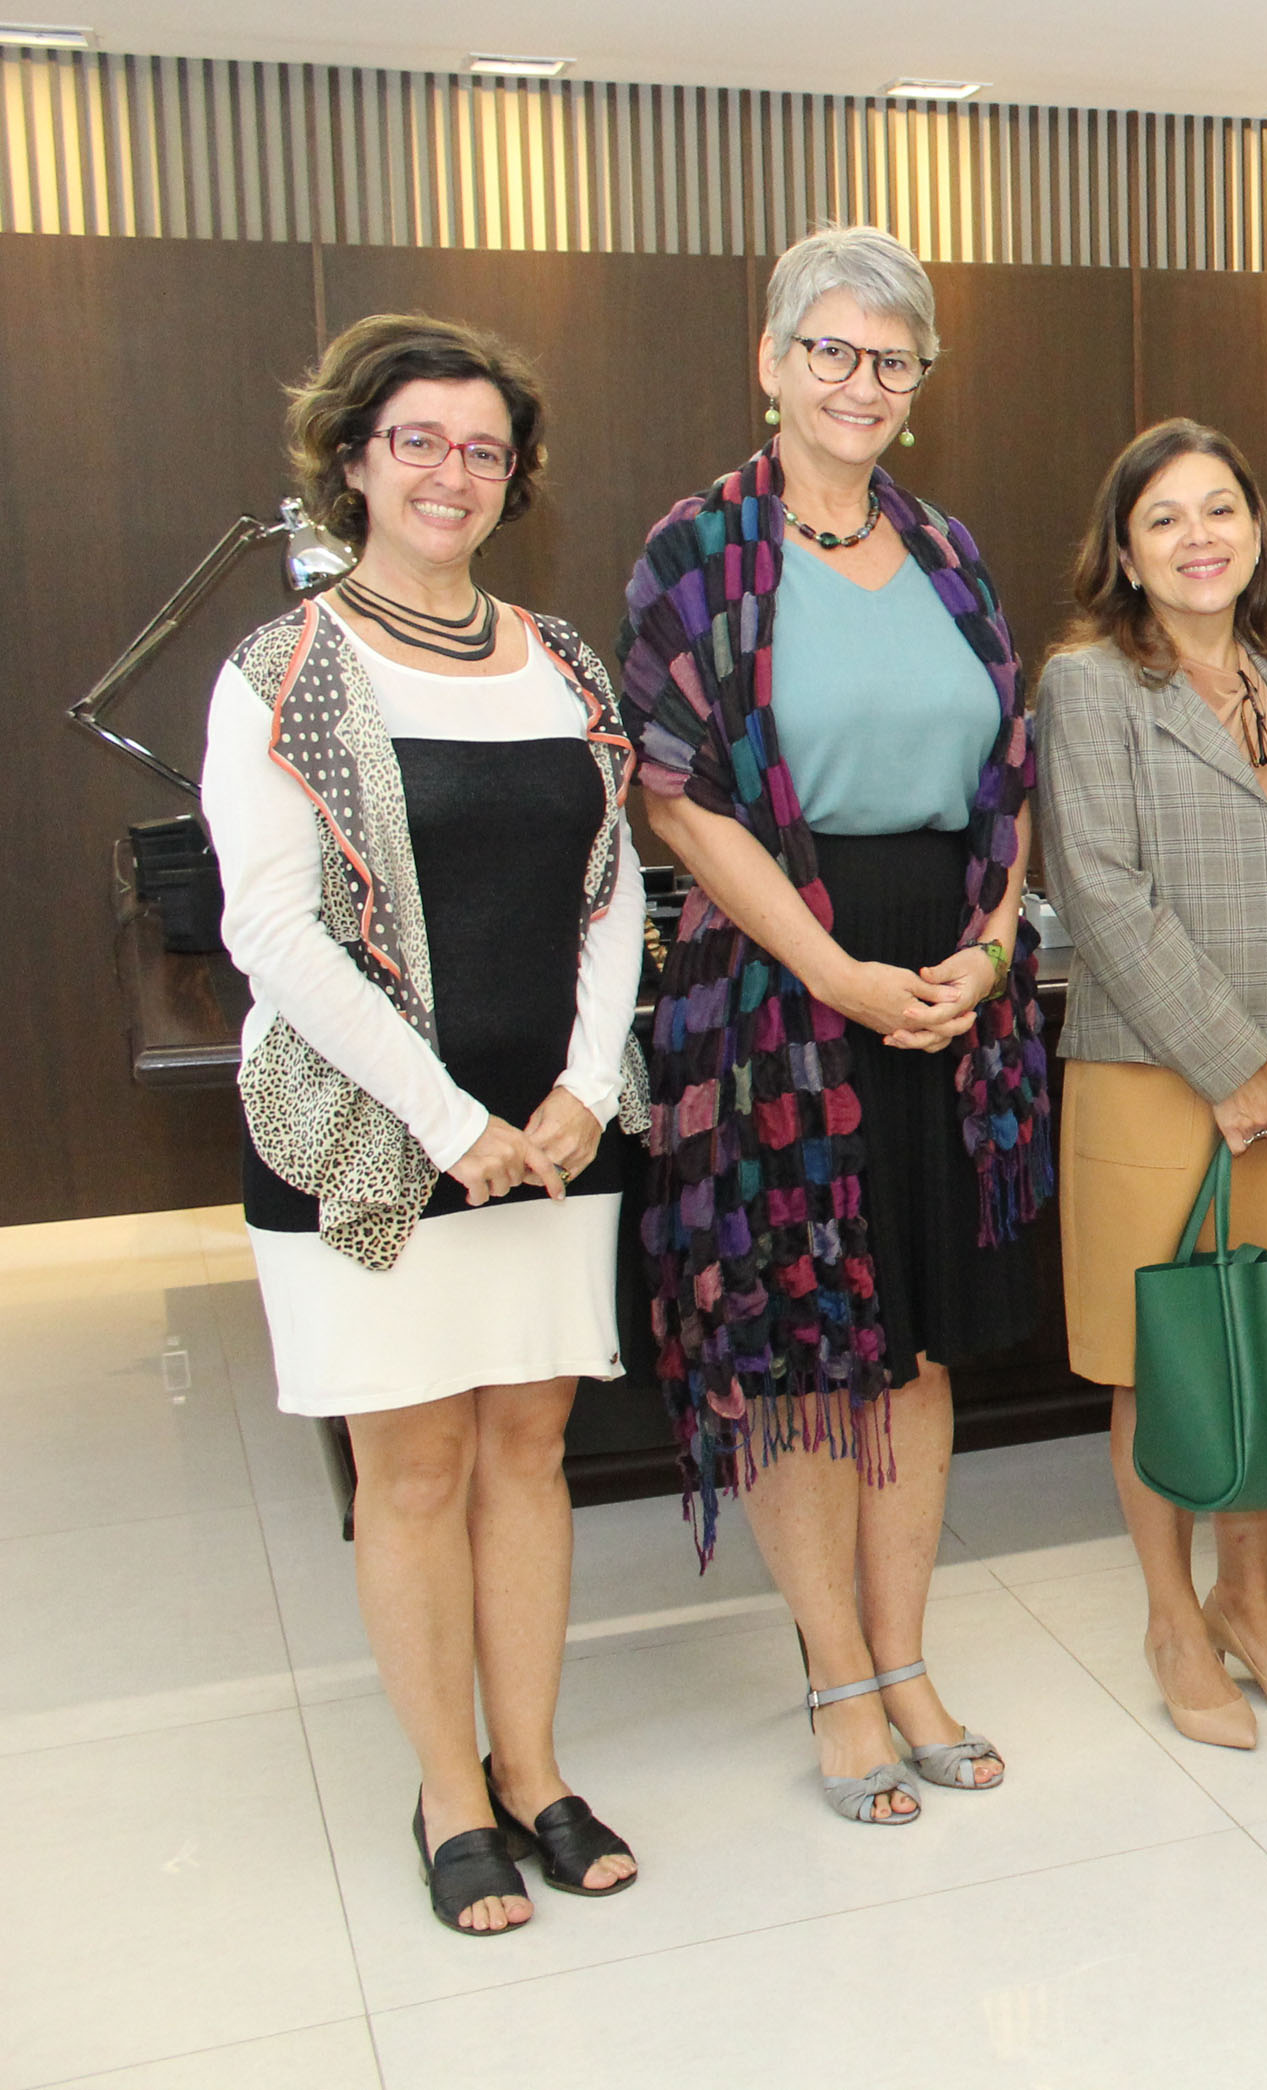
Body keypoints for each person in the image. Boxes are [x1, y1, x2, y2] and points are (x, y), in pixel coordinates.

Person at [204, 312, 644, 1933]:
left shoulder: (563, 658)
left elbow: (613, 886)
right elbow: (271, 929)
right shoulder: (284, 669)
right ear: (353, 459)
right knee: (412, 1469)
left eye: (484, 449)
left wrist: (585, 1084)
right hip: (370, 1138)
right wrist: (451, 1117)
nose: (453, 473)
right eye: (419, 442)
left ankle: (532, 1768)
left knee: (530, 1449)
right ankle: (447, 1792)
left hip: (554, 1137)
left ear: (515, 477)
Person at [619, 224, 1051, 1822]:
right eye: (832, 350)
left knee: (913, 1344)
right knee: (803, 1353)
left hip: (945, 984)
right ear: (773, 361)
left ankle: (908, 1654)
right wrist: (835, 969)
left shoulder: (947, 547)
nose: (862, 382)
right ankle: (836, 1672)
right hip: (776, 990)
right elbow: (676, 797)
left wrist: (991, 950)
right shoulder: (697, 549)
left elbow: (1011, 774)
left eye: (893, 358)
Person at [1038, 419, 1267, 1747]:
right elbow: (1099, 892)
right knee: (1165, 1355)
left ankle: (1254, 1601)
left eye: (1221, 509)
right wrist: (1232, 1065)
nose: (1199, 538)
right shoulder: (1089, 686)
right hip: (1156, 1061)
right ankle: (1173, 1618)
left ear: (1255, 528)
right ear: (1125, 551)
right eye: (1165, 517)